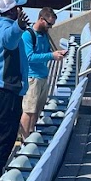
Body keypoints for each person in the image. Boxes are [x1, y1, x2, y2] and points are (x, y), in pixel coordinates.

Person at [0, 0, 29, 181]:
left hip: (5, 88)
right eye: (17, 8)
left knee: (4, 134)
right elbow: (8, 40)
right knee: (5, 135)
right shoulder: (7, 28)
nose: (20, 10)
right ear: (11, 12)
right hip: (7, 89)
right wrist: (18, 27)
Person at [20, 7, 67, 137]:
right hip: (32, 77)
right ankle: (24, 138)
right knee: (28, 110)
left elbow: (46, 52)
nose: (50, 27)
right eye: (49, 24)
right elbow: (29, 57)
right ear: (41, 19)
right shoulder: (28, 35)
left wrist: (57, 54)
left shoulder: (44, 35)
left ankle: (31, 134)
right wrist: (51, 56)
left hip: (43, 76)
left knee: (36, 110)